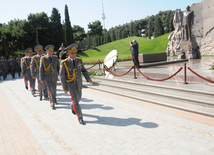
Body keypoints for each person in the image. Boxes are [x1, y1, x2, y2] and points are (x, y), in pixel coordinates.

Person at [60, 44, 92, 125]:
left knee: (78, 98)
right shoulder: (64, 63)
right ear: (68, 54)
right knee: (76, 102)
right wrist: (64, 87)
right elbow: (62, 76)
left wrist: (88, 78)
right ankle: (80, 118)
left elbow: (83, 70)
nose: (74, 55)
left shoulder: (79, 60)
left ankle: (72, 106)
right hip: (70, 84)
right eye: (72, 53)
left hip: (78, 83)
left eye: (75, 53)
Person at [39, 45, 59, 110]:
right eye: (49, 51)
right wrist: (41, 78)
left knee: (54, 89)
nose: (50, 52)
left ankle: (54, 99)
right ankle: (52, 102)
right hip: (47, 77)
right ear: (46, 51)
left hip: (54, 77)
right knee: (50, 90)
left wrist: (60, 76)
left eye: (51, 51)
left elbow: (58, 68)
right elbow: (41, 69)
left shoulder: (55, 58)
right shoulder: (43, 58)